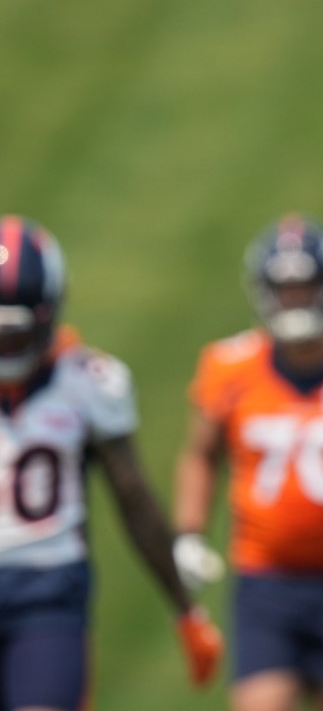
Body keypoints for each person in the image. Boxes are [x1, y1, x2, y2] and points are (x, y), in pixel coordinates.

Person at [0, 214, 223, 710]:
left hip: (47, 588)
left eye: (16, 333)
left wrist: (185, 610)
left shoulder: (88, 382)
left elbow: (133, 498)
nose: (7, 347)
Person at [172, 214, 323, 711]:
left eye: (307, 286)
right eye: (286, 287)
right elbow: (201, 454)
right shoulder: (229, 367)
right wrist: (187, 532)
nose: (297, 298)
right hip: (266, 577)